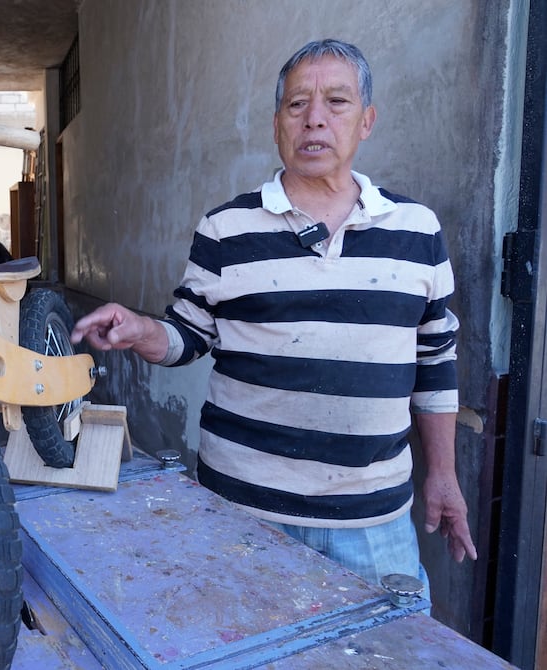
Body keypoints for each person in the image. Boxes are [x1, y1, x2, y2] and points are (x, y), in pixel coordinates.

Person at [70, 39, 477, 590]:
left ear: (367, 121)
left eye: (336, 102)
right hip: (241, 512)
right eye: (296, 105)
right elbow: (188, 334)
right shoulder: (226, 229)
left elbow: (435, 364)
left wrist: (445, 477)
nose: (314, 120)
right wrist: (141, 330)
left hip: (372, 523)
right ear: (276, 125)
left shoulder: (416, 231)